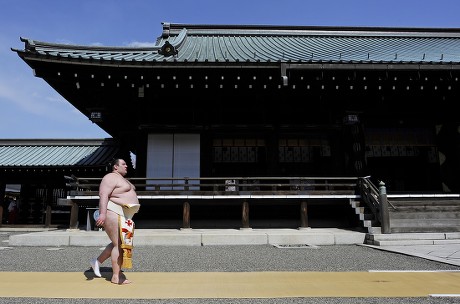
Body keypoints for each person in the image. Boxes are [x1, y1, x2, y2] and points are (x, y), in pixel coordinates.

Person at [90, 158, 140, 285]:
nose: (126, 166)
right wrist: (102, 214)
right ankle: (117, 276)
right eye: (123, 164)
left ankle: (96, 262)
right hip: (113, 211)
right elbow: (103, 194)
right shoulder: (110, 177)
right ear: (115, 167)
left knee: (117, 242)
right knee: (119, 244)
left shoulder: (122, 179)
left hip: (125, 213)